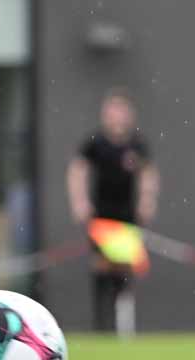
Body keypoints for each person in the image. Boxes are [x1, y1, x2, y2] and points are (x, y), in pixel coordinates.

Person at [66, 88, 160, 336]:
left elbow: (148, 174)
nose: (117, 117)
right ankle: (101, 325)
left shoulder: (137, 145)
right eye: (112, 111)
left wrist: (147, 201)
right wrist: (80, 201)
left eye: (121, 111)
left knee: (125, 268)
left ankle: (124, 324)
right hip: (102, 216)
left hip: (127, 217)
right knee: (101, 266)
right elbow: (78, 170)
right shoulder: (95, 143)